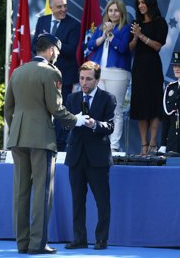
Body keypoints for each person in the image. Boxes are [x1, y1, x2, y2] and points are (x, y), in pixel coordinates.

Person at [4, 34, 89, 255]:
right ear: (51, 50)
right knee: (42, 192)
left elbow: (8, 109)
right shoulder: (51, 72)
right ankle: (38, 244)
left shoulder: (17, 72)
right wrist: (77, 120)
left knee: (21, 193)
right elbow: (56, 108)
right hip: (41, 138)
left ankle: (22, 243)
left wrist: (17, 130)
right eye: (57, 52)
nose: (57, 57)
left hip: (18, 138)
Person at [64, 61, 116, 250]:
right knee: (78, 201)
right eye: (81, 78)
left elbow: (110, 127)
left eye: (88, 79)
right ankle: (79, 239)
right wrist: (71, 122)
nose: (84, 82)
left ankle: (101, 239)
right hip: (76, 156)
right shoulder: (72, 98)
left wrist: (95, 124)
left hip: (98, 158)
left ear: (97, 80)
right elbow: (64, 125)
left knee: (102, 201)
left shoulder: (107, 99)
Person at [32, 0, 81, 152]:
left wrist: (48, 39)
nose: (63, 9)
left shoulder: (74, 24)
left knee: (61, 110)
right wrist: (48, 43)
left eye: (65, 6)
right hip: (42, 74)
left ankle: (60, 147)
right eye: (59, 6)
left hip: (64, 76)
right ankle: (42, 142)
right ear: (51, 7)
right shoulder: (42, 21)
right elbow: (35, 46)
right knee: (42, 109)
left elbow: (70, 49)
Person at [87, 0, 131, 152]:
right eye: (110, 10)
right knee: (98, 108)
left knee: (116, 109)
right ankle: (100, 142)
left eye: (116, 10)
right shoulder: (100, 28)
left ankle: (114, 146)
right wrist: (104, 34)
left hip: (118, 73)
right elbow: (91, 45)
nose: (113, 13)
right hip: (99, 71)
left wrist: (111, 35)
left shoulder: (126, 28)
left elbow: (123, 48)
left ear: (121, 13)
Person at [129, 0, 168, 155]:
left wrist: (142, 36)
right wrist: (136, 37)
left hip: (152, 67)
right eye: (138, 3)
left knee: (154, 104)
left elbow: (158, 46)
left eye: (143, 2)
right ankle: (143, 145)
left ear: (150, 3)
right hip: (138, 67)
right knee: (141, 105)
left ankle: (153, 142)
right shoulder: (136, 23)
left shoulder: (160, 22)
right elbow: (131, 48)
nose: (140, 6)